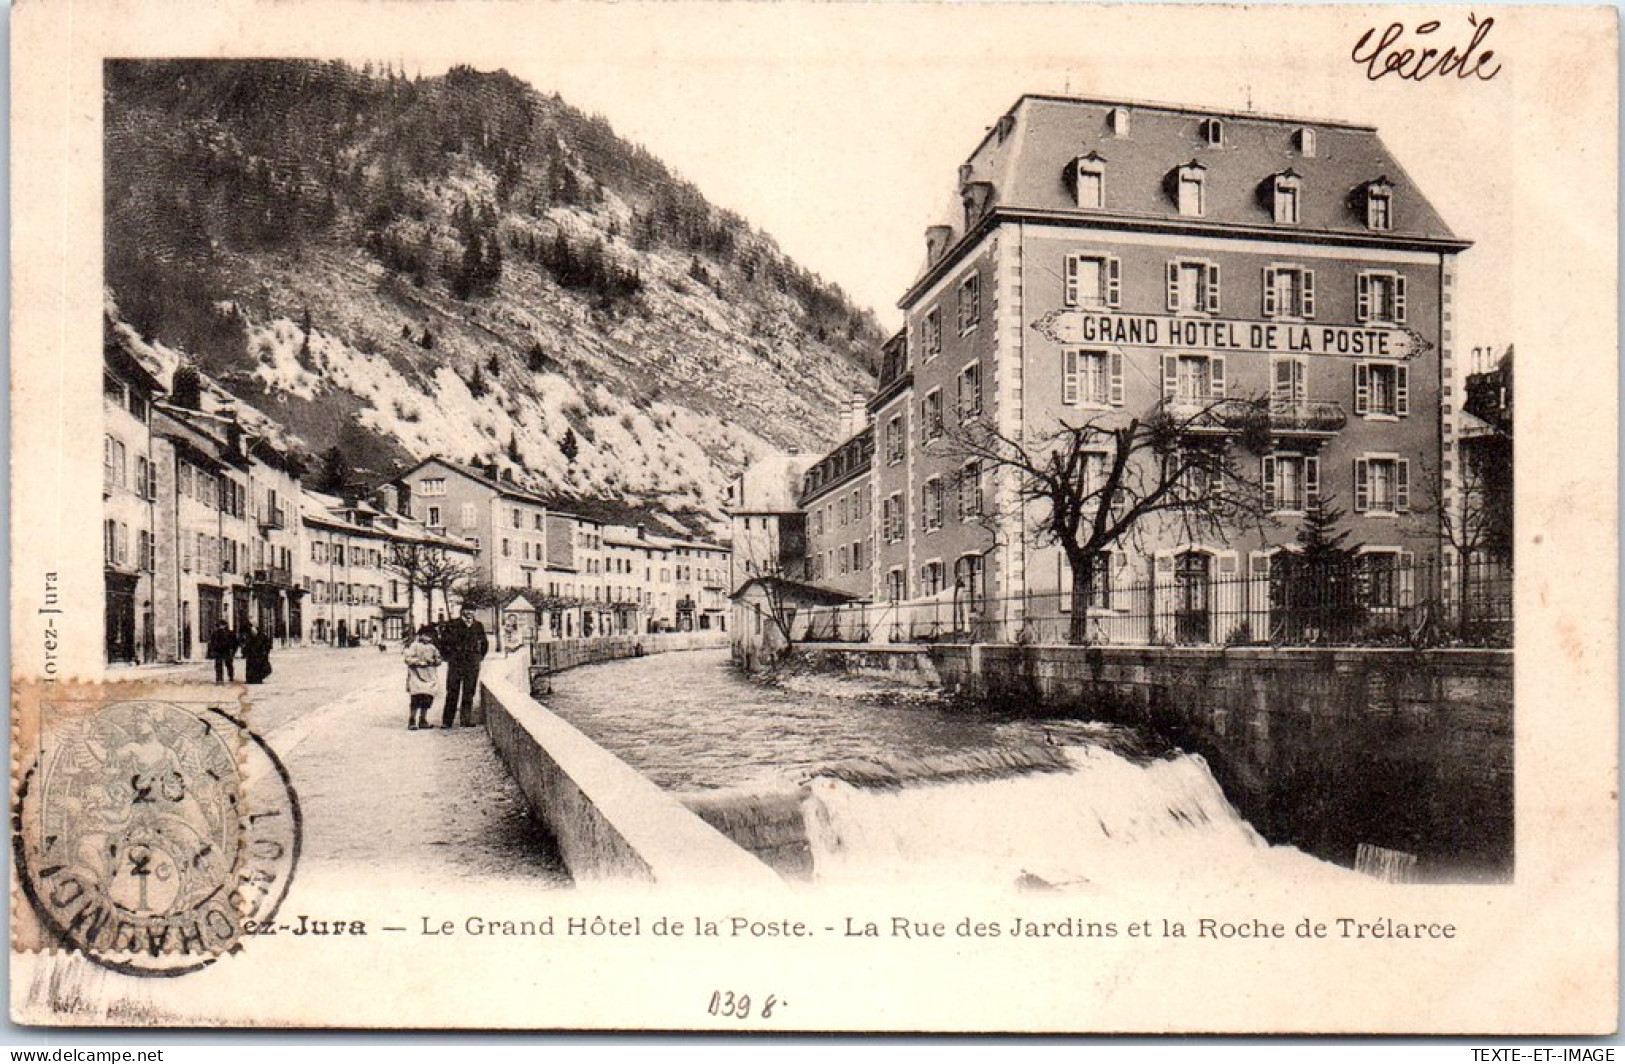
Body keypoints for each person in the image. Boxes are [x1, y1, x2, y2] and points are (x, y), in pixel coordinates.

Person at [440, 606, 489, 728]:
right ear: (462, 611)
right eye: (467, 610)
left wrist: (479, 657)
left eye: (471, 610)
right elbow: (443, 642)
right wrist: (447, 656)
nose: (469, 612)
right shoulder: (453, 624)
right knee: (452, 691)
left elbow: (484, 643)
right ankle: (447, 721)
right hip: (456, 662)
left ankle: (466, 719)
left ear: (474, 612)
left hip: (472, 663)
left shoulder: (478, 625)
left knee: (469, 691)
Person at [403, 626, 442, 731]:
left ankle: (423, 719)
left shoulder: (433, 647)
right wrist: (419, 662)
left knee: (427, 698)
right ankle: (412, 719)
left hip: (429, 676)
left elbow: (438, 659)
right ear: (420, 635)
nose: (428, 638)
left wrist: (435, 661)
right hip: (416, 675)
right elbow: (407, 659)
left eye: (430, 636)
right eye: (425, 635)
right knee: (416, 698)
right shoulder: (414, 646)